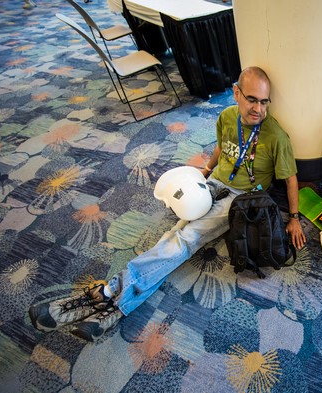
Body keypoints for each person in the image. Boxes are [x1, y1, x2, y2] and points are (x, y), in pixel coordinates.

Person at [28, 66, 307, 341]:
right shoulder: (227, 116)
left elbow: (291, 179)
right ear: (236, 93)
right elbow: (222, 146)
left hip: (240, 199)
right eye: (251, 99)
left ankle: (112, 294)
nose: (258, 108)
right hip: (213, 185)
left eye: (264, 101)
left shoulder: (276, 136)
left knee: (186, 238)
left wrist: (293, 218)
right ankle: (112, 306)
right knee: (175, 233)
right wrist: (205, 172)